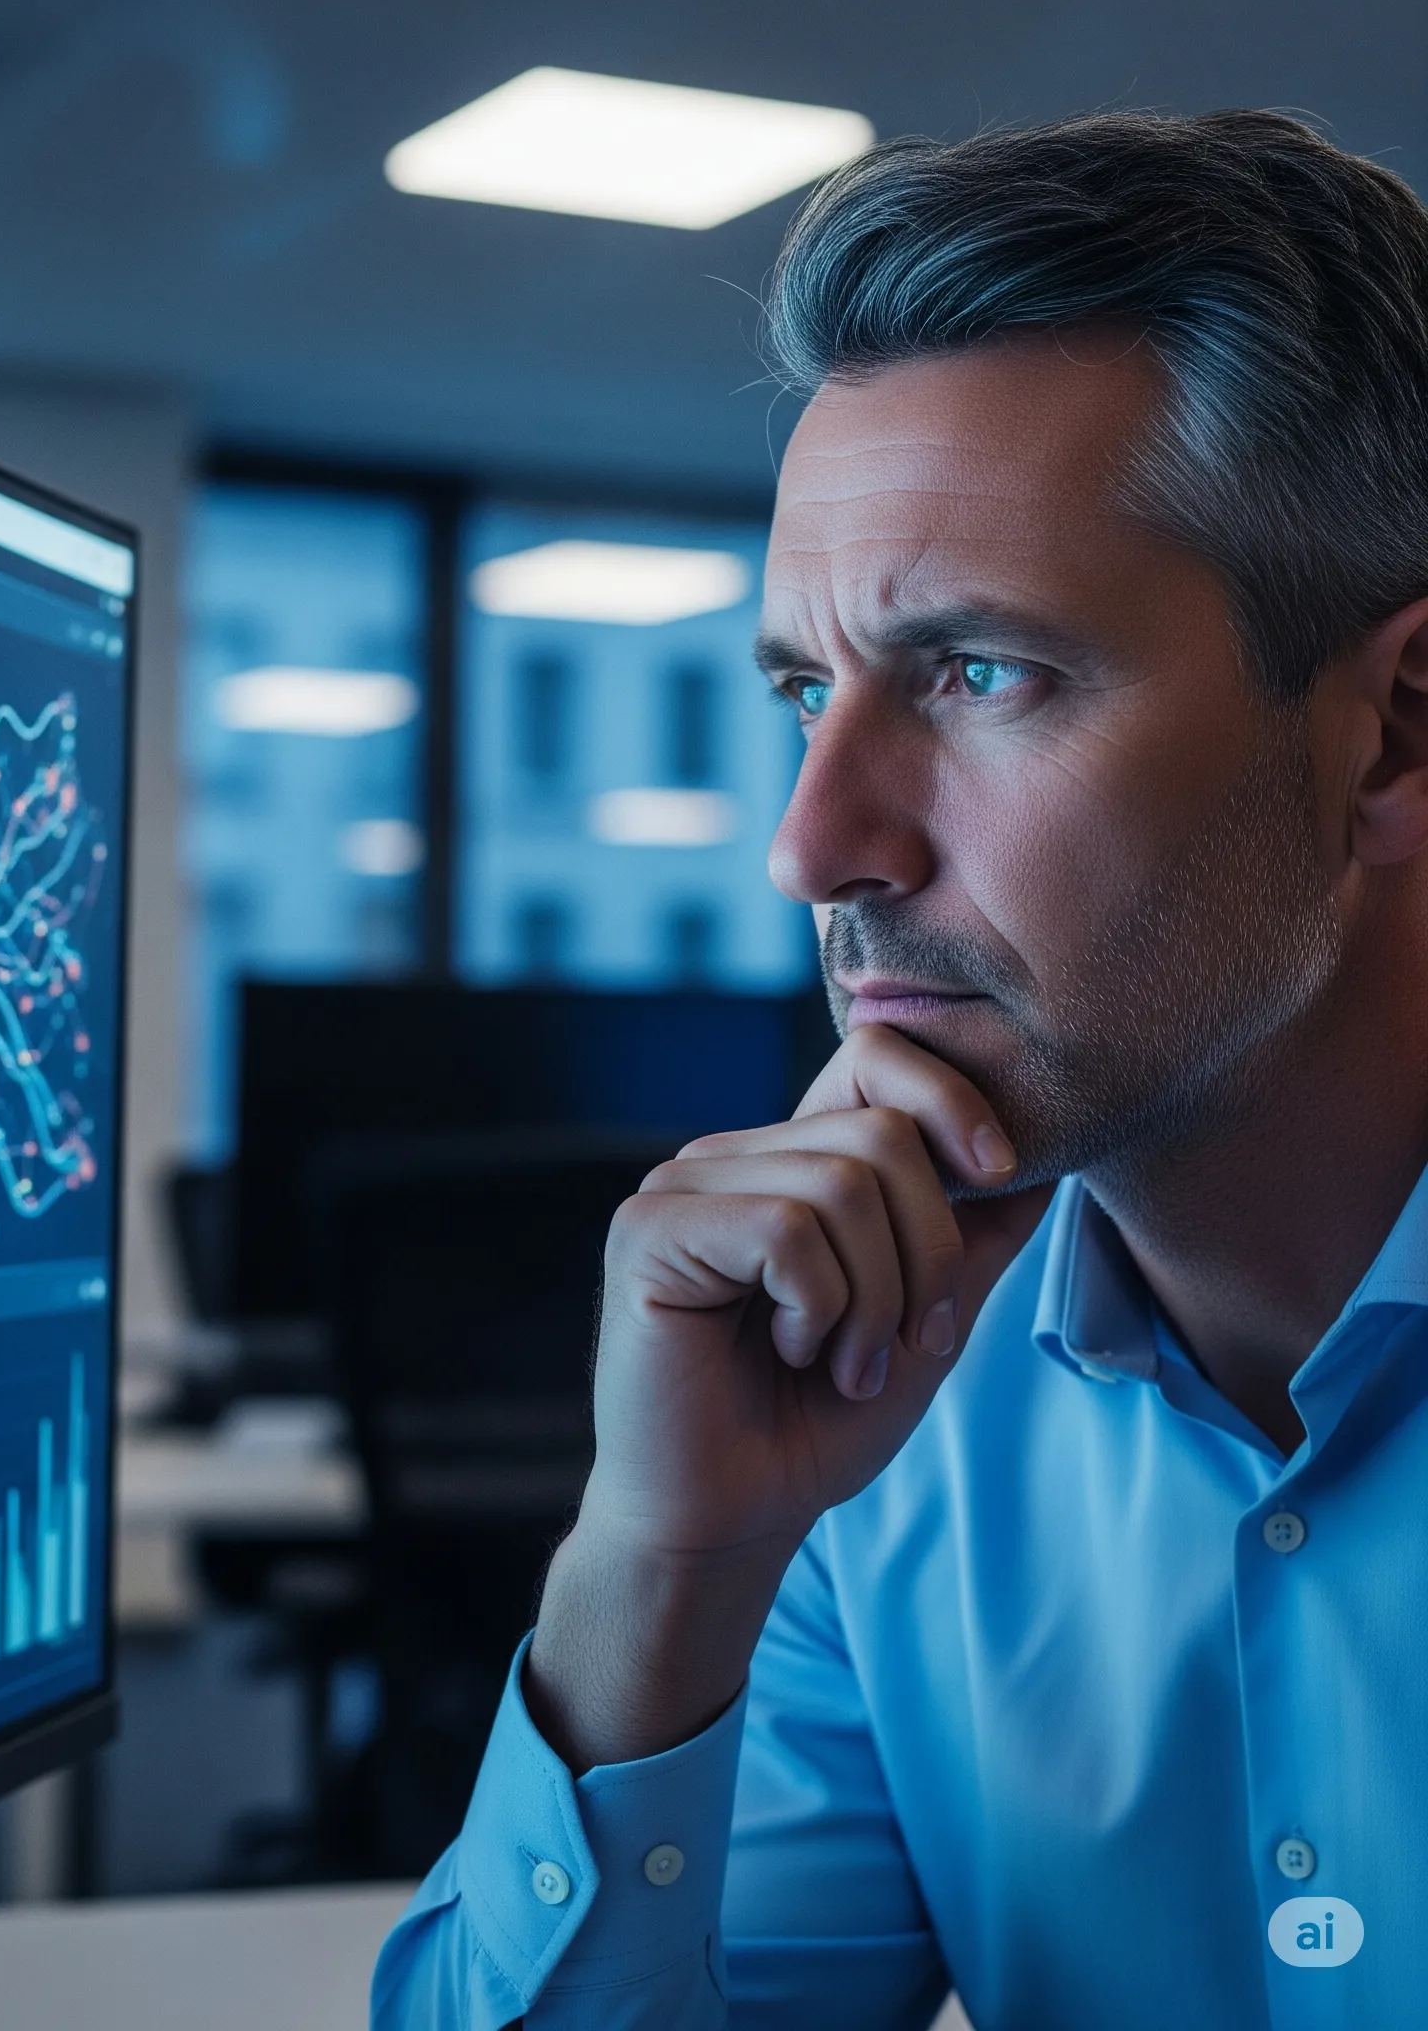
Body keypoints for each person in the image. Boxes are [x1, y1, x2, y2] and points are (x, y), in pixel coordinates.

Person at [371, 110, 1428, 2028]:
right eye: (804, 687)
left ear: (1396, 731)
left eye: (980, 675)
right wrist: (666, 1561)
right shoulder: (887, 1409)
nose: (811, 845)